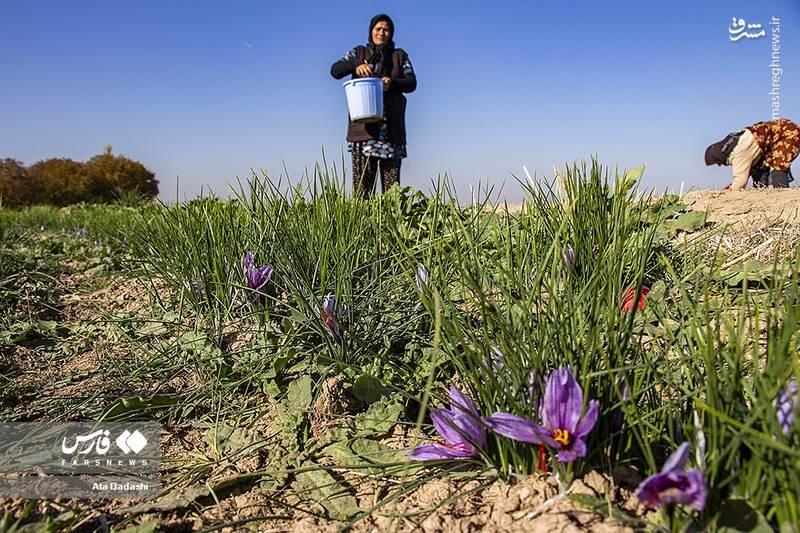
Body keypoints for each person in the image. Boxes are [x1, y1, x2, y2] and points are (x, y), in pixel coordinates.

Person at [330, 14, 417, 198]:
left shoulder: (399, 56)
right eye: (378, 29)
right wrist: (355, 65)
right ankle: (363, 227)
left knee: (392, 195)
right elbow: (335, 70)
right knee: (362, 193)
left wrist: (391, 83)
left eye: (386, 29)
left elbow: (411, 83)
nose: (382, 33)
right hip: (363, 135)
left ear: (391, 33)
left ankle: (390, 227)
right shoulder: (359, 53)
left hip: (392, 136)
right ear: (371, 31)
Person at [705, 118, 799, 190]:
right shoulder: (735, 144)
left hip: (787, 134)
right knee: (758, 169)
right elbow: (750, 170)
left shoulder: (738, 152)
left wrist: (728, 191)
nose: (719, 164)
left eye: (716, 161)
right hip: (772, 141)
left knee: (778, 168)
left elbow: (740, 181)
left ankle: (783, 200)